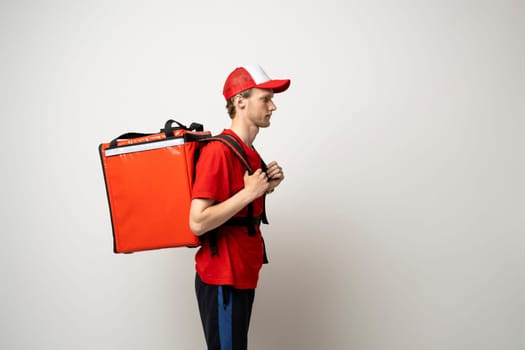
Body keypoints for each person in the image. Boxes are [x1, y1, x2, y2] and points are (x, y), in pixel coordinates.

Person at [189, 64, 290, 350]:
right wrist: (249, 195)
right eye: (265, 99)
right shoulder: (218, 152)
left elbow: (240, 202)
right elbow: (197, 222)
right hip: (222, 276)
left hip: (242, 272)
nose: (273, 106)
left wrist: (265, 187)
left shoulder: (249, 153)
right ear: (240, 101)